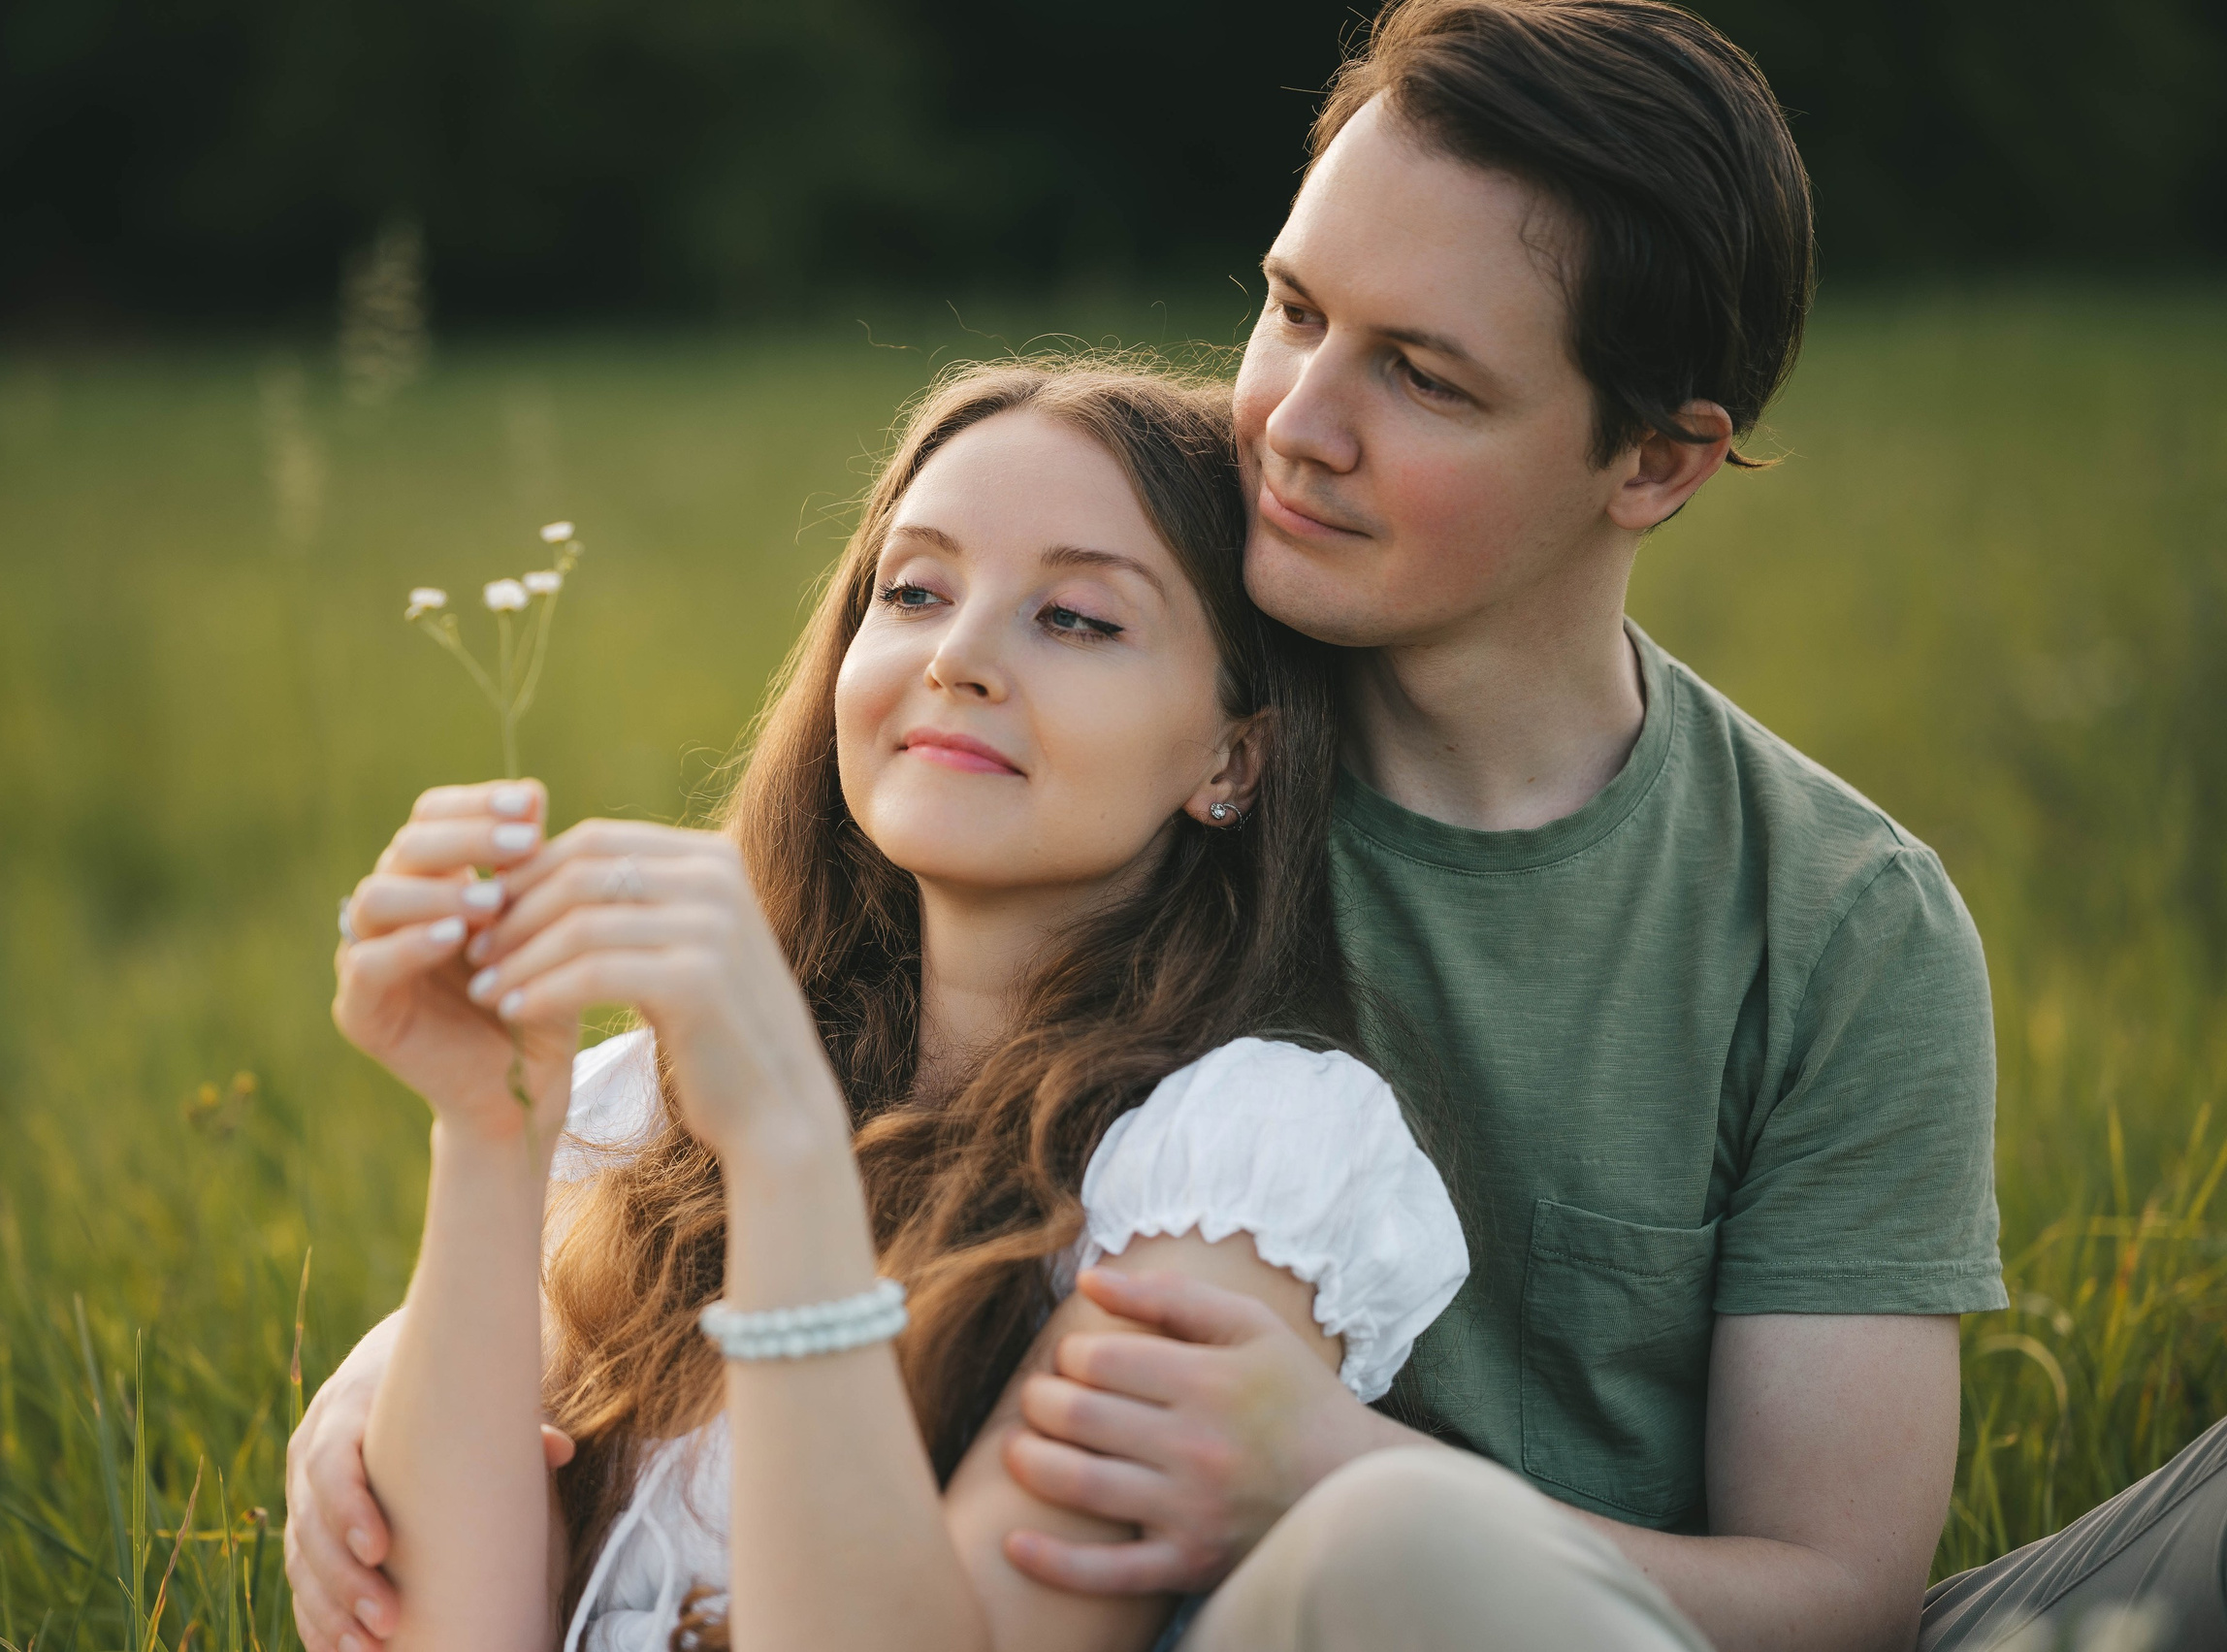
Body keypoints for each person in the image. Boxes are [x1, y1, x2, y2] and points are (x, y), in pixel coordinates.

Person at [294, 2, 2227, 1647]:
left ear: (1655, 460)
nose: (1293, 418)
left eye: (1419, 375)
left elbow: (1838, 1593)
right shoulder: (1075, 803)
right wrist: (409, 1375)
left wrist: (1340, 1464)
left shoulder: (1831, 922)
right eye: (1292, 308)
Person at [320, 360, 1471, 1652]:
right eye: (914, 592)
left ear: (1231, 758)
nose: (959, 657)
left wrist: (790, 1155)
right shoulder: (645, 1104)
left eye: (1078, 618)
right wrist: (488, 1130)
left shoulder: (1241, 1165)